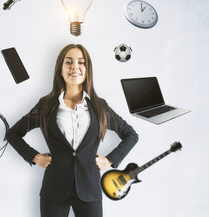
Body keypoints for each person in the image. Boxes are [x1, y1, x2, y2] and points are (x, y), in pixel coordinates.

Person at [7, 44, 138, 217]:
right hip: (54, 191)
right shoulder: (46, 105)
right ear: (60, 70)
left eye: (81, 63)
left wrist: (110, 160)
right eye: (68, 62)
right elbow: (13, 134)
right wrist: (34, 157)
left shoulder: (100, 106)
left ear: (87, 70)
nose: (74, 67)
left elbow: (131, 135)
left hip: (89, 191)